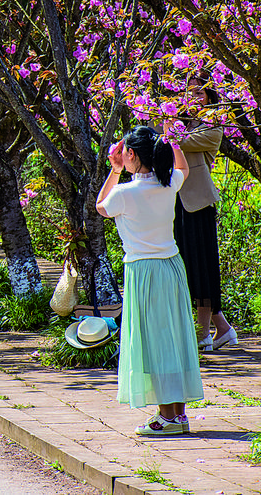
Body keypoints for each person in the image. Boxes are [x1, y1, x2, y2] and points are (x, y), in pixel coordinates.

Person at [96, 126, 203, 436]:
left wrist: (114, 172)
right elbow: (181, 167)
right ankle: (178, 415)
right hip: (172, 267)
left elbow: (100, 207)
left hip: (143, 271)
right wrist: (172, 138)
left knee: (154, 341)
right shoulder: (167, 182)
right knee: (174, 337)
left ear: (131, 154)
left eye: (124, 152)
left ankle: (166, 418)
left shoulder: (124, 193)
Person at [174, 75, 237, 351]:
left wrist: (167, 126)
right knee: (187, 267)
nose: (193, 98)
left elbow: (180, 143)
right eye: (187, 93)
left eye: (199, 93)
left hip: (197, 202)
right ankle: (222, 329)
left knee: (202, 268)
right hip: (174, 202)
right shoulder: (179, 121)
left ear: (210, 97)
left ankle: (202, 334)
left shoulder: (212, 124)